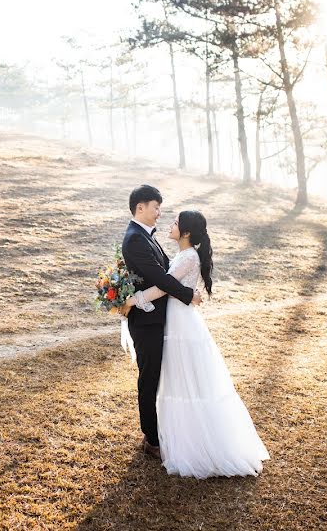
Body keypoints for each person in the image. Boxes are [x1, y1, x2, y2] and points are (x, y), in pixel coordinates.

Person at [122, 207, 270, 478]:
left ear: (186, 232)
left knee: (185, 380)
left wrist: (132, 301)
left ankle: (196, 443)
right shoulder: (184, 254)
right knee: (179, 379)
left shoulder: (187, 256)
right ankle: (176, 435)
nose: (170, 223)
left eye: (176, 222)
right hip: (176, 319)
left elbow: (163, 287)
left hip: (180, 324)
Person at [120, 185, 202, 459]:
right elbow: (161, 278)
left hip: (157, 318)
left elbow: (164, 274)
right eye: (156, 207)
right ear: (140, 207)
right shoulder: (134, 239)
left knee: (157, 376)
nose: (159, 213)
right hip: (146, 322)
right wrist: (188, 295)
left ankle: (158, 431)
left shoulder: (145, 237)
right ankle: (152, 439)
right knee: (149, 378)